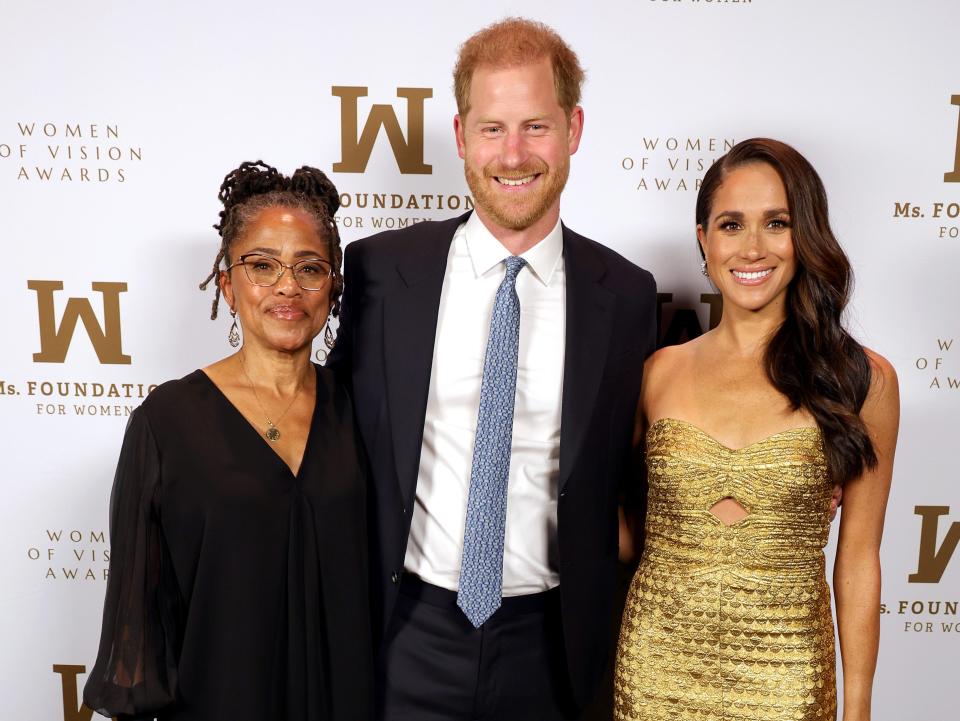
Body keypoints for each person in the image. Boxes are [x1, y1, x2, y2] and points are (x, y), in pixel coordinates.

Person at [327, 17, 657, 721]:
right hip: (406, 633)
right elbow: (320, 433)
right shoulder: (381, 273)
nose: (514, 153)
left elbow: (644, 474)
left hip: (556, 648)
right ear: (459, 136)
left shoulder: (626, 296)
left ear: (574, 128)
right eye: (492, 128)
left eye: (536, 126)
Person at [614, 138, 899, 721]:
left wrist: (860, 703)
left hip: (789, 673)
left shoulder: (862, 380)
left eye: (776, 223)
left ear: (807, 235)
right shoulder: (657, 372)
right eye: (730, 224)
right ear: (703, 239)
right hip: (656, 667)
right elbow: (618, 527)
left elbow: (860, 559)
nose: (752, 248)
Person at [83, 161, 372, 721]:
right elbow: (136, 624)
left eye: (310, 267)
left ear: (332, 286)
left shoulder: (363, 411)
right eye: (262, 265)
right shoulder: (165, 422)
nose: (288, 285)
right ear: (227, 284)